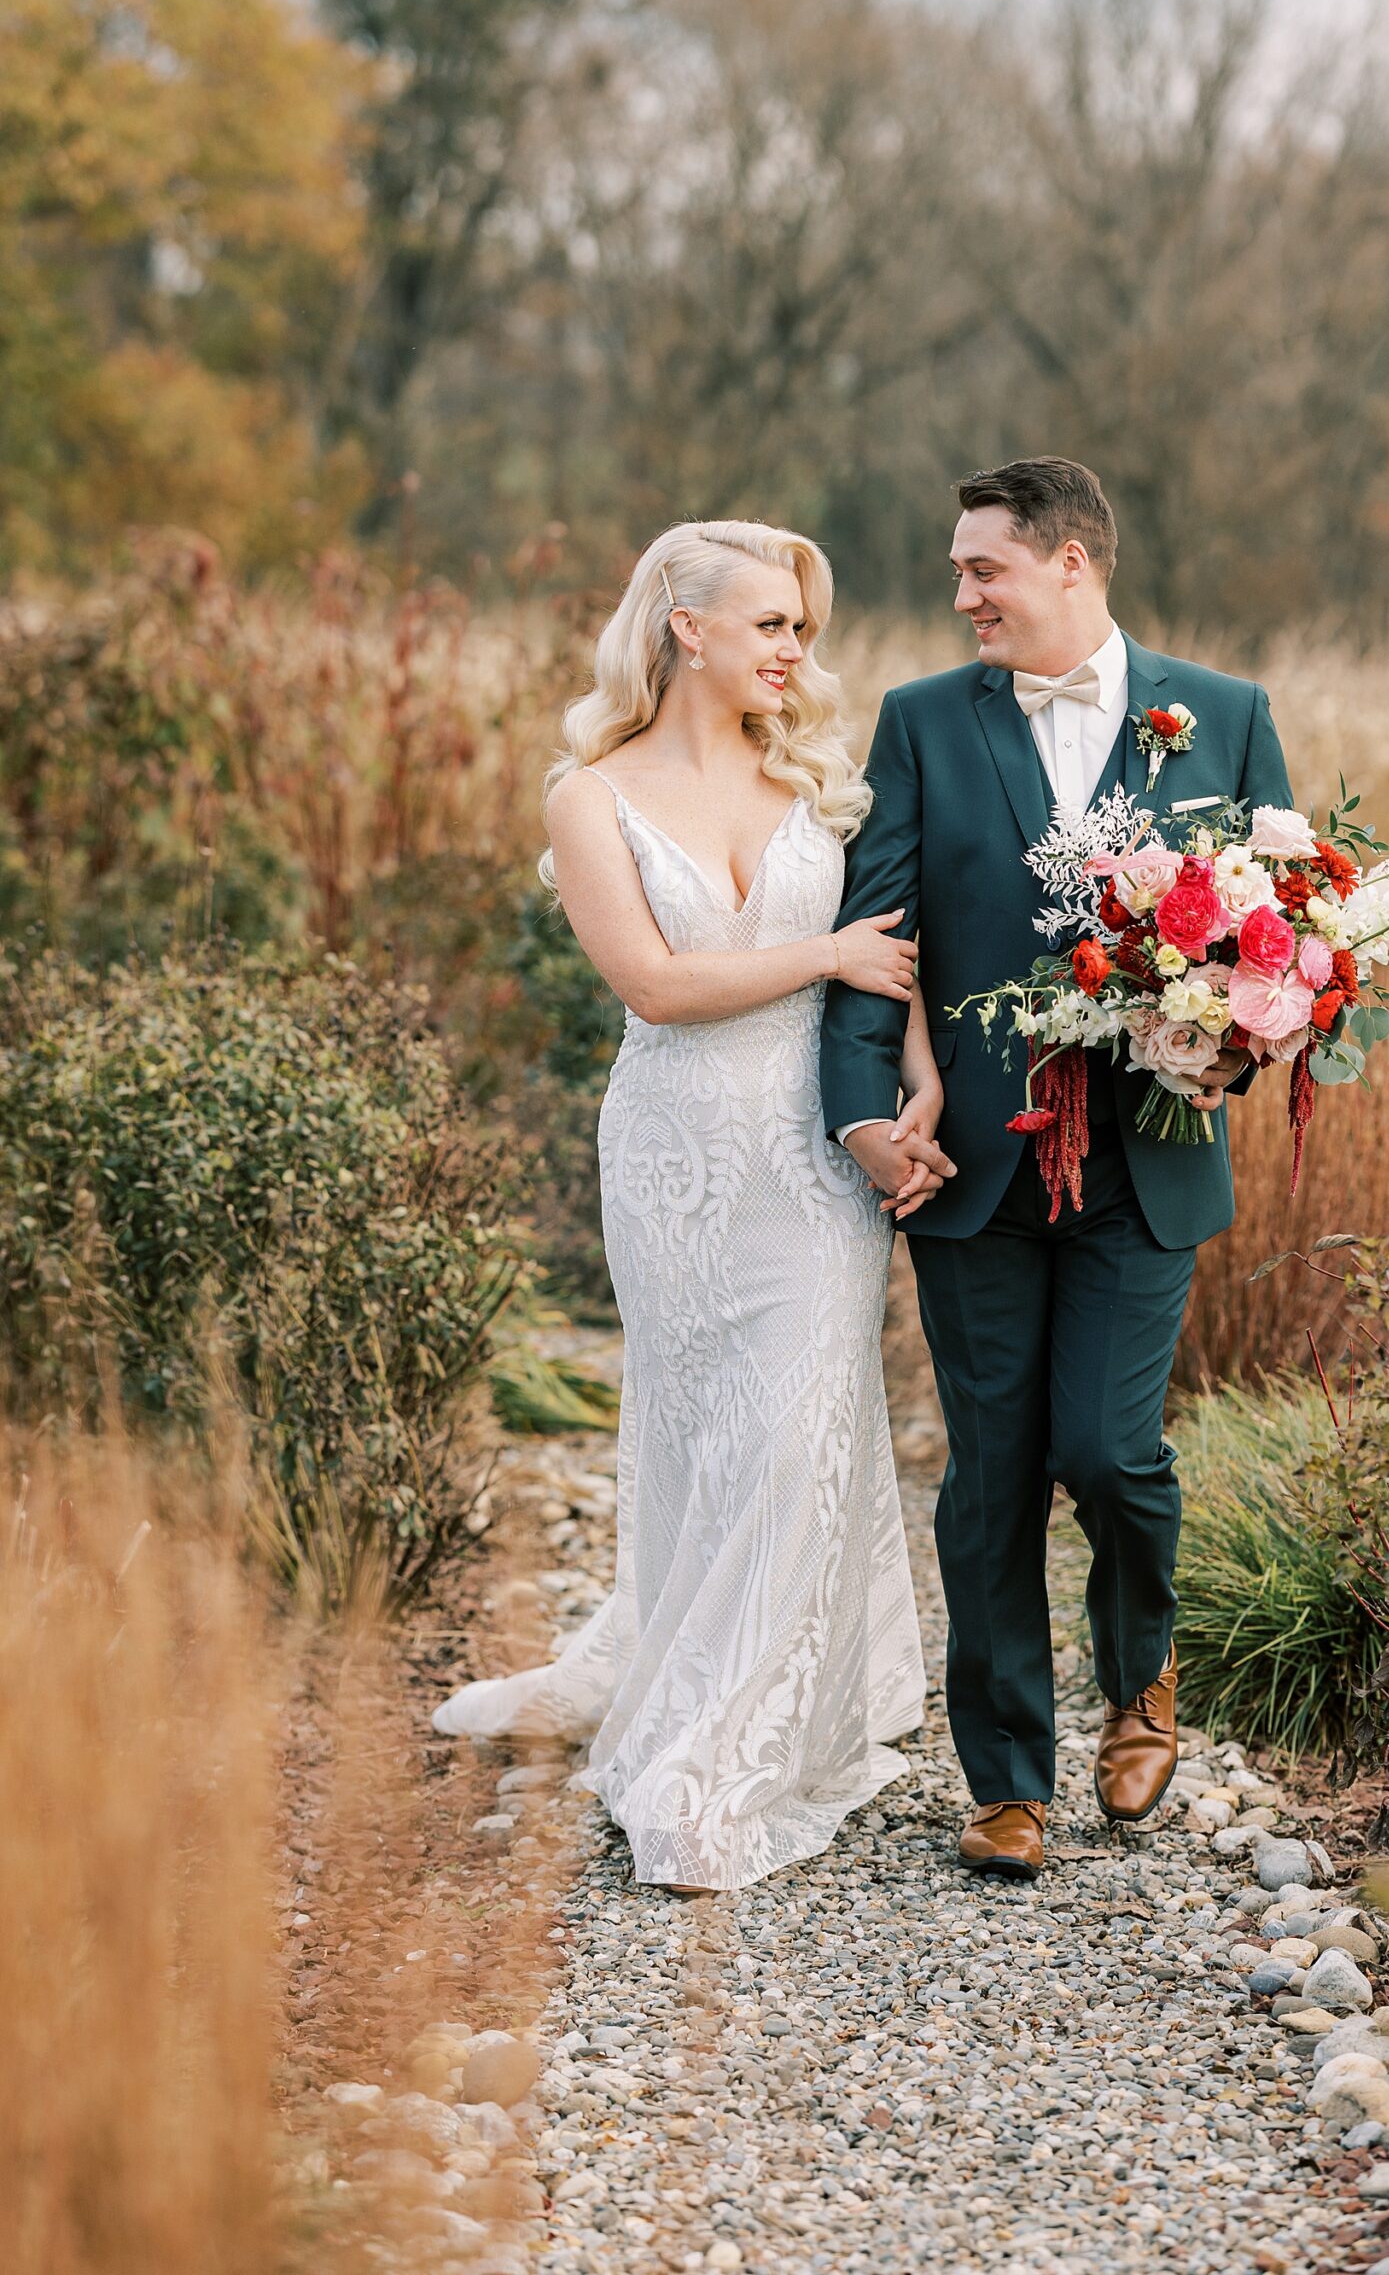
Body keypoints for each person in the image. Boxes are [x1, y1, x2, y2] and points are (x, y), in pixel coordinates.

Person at [434, 520, 947, 1895]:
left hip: (810, 1150)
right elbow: (653, 986)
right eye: (772, 624)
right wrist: (825, 948)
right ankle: (671, 1666)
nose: (796, 651)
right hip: (674, 1155)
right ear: (685, 627)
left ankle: (722, 1747)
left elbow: (889, 966)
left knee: (794, 1437)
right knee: (701, 1432)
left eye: (802, 630)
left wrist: (917, 1099)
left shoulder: (818, 783)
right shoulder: (589, 800)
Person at [821, 457, 1292, 1882]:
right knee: (993, 1475)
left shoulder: (1225, 716)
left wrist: (1238, 1051)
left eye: (985, 569)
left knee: (1111, 1449)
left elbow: (1278, 941)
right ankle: (1006, 1779)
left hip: (1148, 1161)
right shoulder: (918, 724)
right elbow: (876, 933)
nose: (962, 594)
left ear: (1071, 563)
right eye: (961, 571)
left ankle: (1141, 1677)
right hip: (969, 1166)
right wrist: (863, 1118)